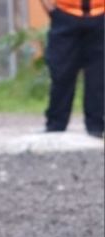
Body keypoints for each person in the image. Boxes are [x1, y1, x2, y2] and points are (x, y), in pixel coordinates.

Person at [42, 0, 104, 138]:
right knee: (61, 72)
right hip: (65, 15)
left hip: (100, 16)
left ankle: (96, 126)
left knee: (98, 75)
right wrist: (52, 10)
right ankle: (55, 125)